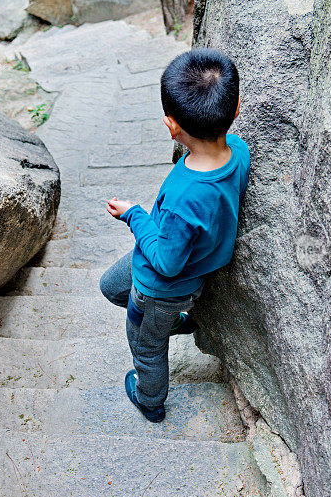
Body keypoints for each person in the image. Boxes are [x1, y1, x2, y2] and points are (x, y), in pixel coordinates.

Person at [100, 48, 250, 423]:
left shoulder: (185, 196)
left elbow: (167, 263)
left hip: (160, 287)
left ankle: (150, 398)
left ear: (171, 126)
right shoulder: (240, 153)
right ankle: (175, 321)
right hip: (173, 270)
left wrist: (135, 216)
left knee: (147, 347)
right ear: (236, 110)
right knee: (111, 285)